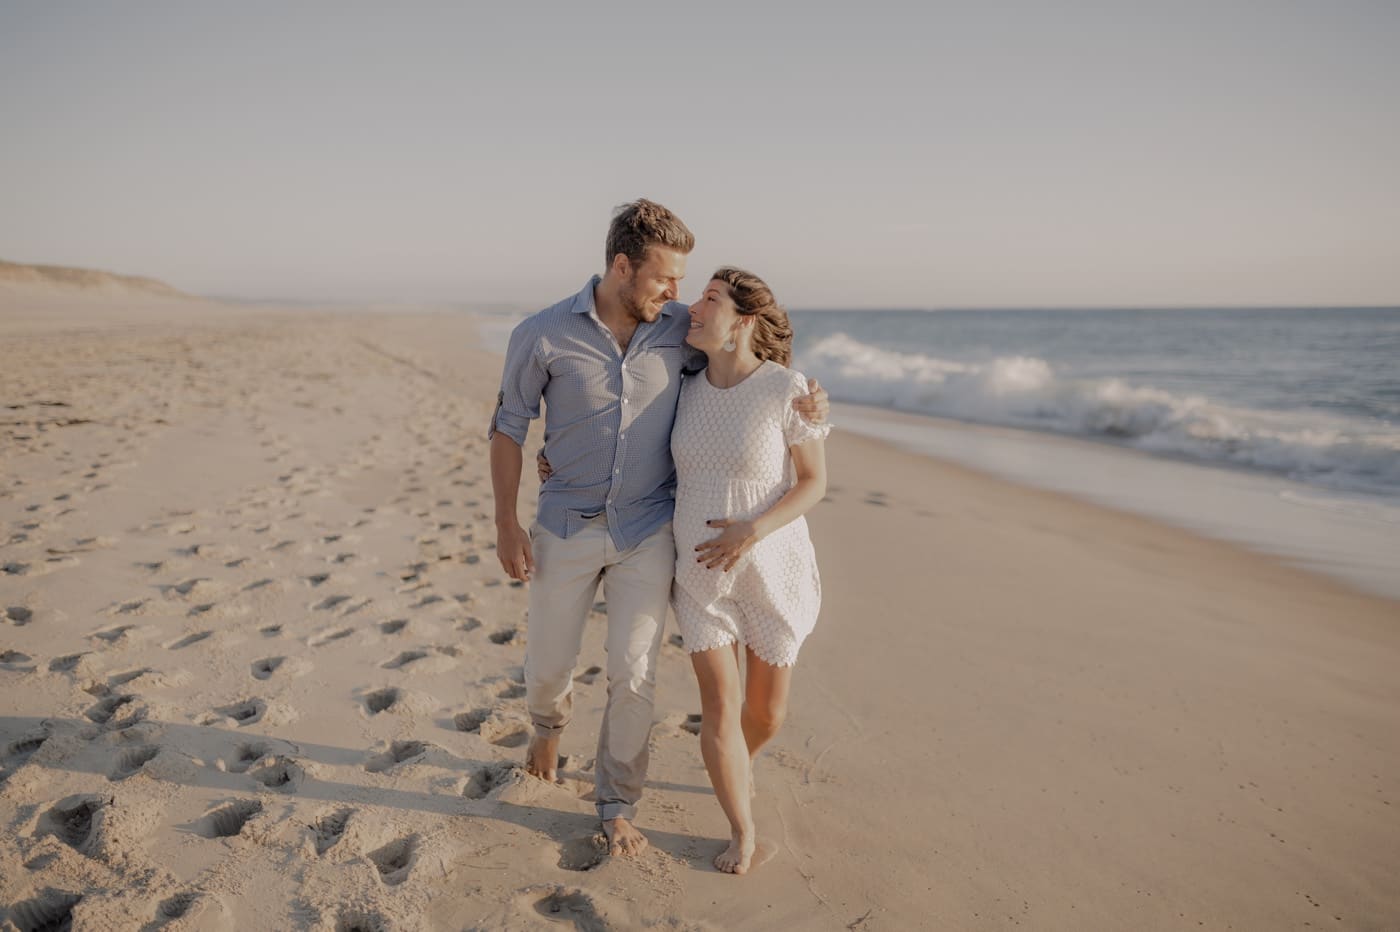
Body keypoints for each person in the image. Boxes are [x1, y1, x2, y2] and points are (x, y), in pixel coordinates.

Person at [488, 199, 828, 858]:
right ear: (622, 266)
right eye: (664, 278)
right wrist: (507, 522)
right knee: (549, 668)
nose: (675, 295)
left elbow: (749, 374)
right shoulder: (543, 333)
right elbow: (508, 426)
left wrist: (812, 401)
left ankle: (616, 803)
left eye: (683, 284)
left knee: (634, 673)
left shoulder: (679, 329)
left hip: (650, 528)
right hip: (566, 522)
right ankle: (547, 729)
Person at [671, 267, 828, 874]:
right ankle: (742, 829)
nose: (694, 306)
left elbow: (814, 483)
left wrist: (752, 530)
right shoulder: (680, 386)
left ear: (743, 322)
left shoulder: (788, 389)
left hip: (771, 567)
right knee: (719, 705)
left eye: (710, 298)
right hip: (700, 572)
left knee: (765, 715)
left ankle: (737, 758)